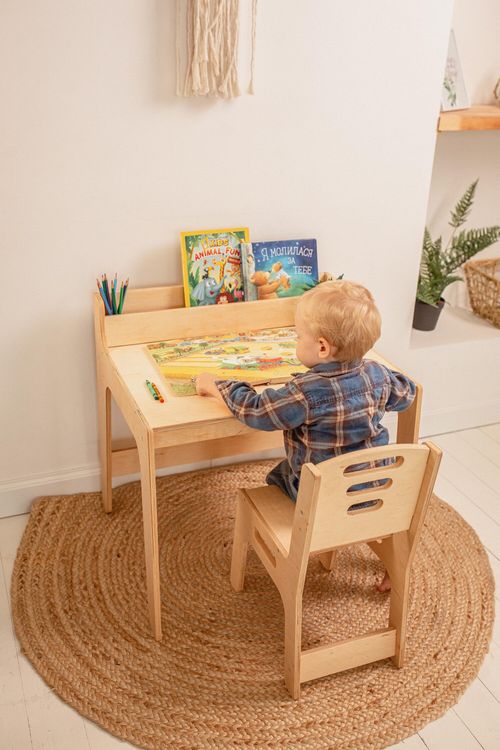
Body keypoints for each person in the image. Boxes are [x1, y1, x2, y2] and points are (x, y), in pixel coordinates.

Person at [195, 280, 416, 592]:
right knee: (312, 471)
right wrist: (374, 369)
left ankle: (286, 545)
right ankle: (395, 565)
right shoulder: (377, 376)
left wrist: (219, 386)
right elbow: (407, 394)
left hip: (320, 500)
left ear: (322, 347)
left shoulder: (304, 393)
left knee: (278, 476)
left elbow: (258, 411)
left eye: (298, 336)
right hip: (376, 492)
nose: (296, 340)